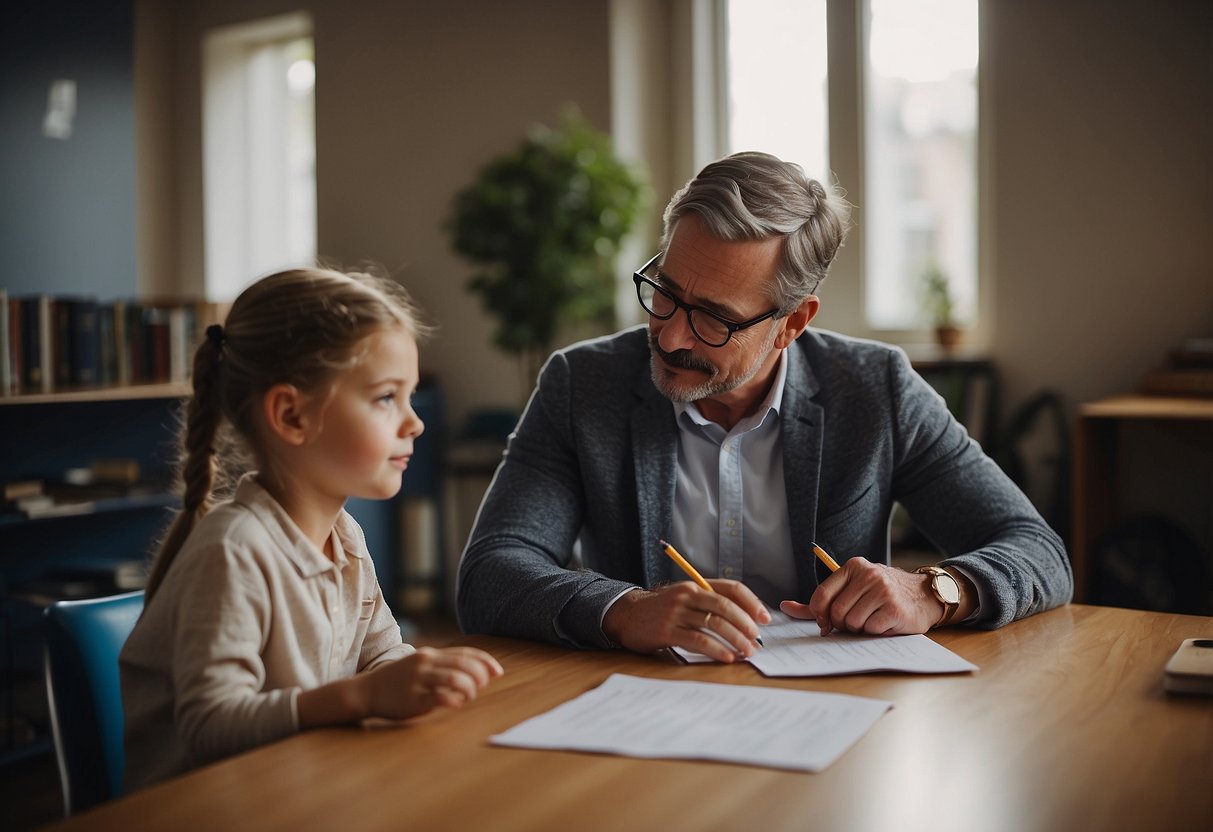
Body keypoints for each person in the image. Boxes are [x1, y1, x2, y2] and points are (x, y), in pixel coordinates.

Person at [456, 151, 1072, 662]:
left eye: (715, 319)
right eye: (665, 294)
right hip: (643, 710)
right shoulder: (581, 384)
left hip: (837, 714)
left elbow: (1037, 549)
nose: (670, 337)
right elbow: (490, 572)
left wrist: (935, 591)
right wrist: (625, 610)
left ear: (792, 322)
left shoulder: (875, 389)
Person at [121, 268, 502, 791]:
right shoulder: (234, 550)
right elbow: (210, 726)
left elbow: (383, 656)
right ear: (292, 416)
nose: (415, 423)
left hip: (301, 788)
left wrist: (425, 675)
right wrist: (363, 698)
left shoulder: (344, 538)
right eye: (387, 397)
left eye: (411, 396)